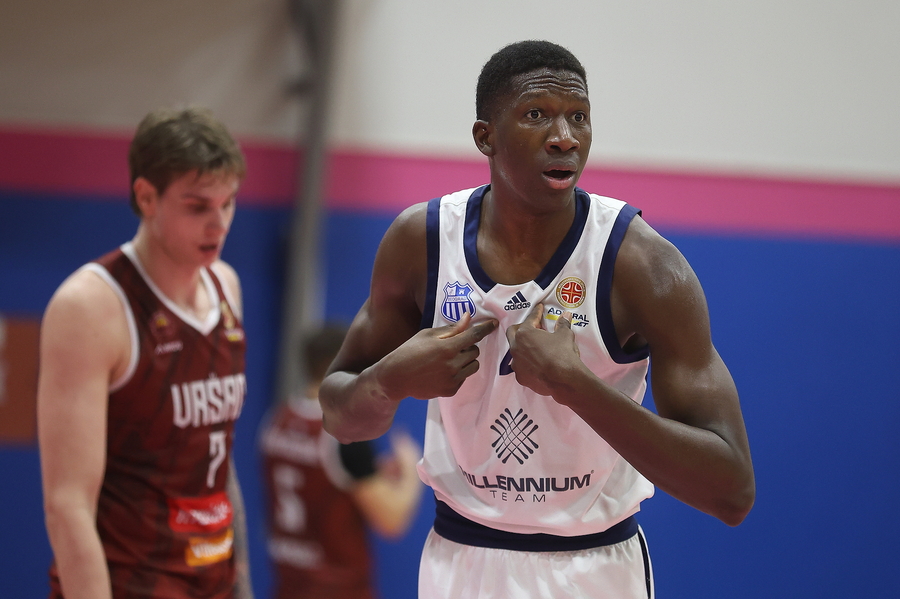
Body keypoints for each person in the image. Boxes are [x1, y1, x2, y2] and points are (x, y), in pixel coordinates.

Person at [318, 40, 755, 599]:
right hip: (460, 561)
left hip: (592, 567)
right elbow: (340, 417)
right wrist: (389, 380)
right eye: (536, 115)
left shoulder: (641, 265)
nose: (565, 137)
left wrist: (576, 386)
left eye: (579, 117)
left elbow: (731, 491)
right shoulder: (421, 242)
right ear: (486, 137)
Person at [37, 106, 254, 599]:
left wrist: (241, 586)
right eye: (198, 207)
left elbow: (219, 460)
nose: (219, 224)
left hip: (213, 580)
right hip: (129, 583)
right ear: (146, 196)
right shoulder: (91, 306)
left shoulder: (226, 286)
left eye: (228, 204)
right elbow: (67, 506)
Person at [258, 323, 424, 599]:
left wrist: (373, 471)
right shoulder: (344, 435)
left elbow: (318, 483)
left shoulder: (276, 421)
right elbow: (392, 520)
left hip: (287, 586)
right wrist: (412, 470)